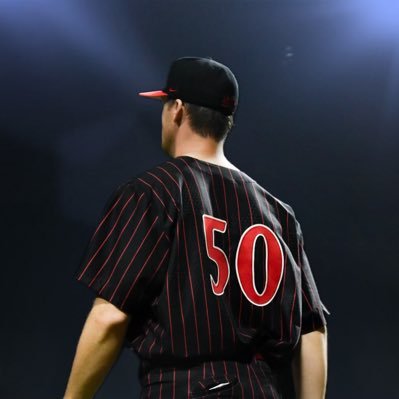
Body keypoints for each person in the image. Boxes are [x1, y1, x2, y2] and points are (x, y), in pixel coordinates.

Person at [64, 56, 329, 399]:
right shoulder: (279, 213)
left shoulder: (153, 191)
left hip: (187, 388)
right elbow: (312, 332)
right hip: (265, 390)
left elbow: (110, 317)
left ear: (176, 109)